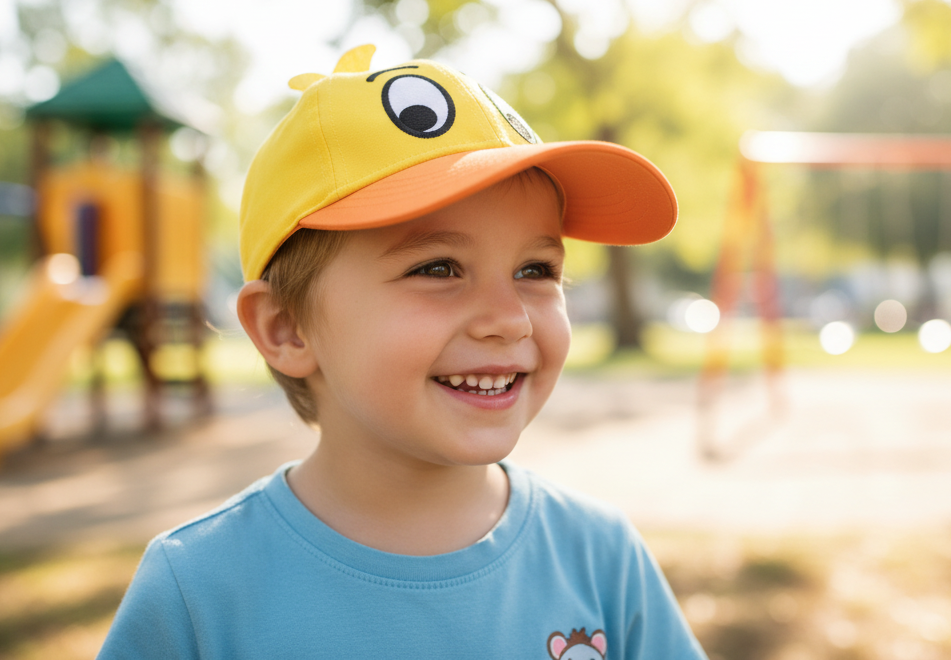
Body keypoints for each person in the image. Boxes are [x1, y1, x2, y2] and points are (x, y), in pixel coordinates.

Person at [98, 45, 707, 659]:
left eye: (536, 267)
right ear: (286, 328)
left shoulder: (601, 559)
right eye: (439, 267)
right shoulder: (198, 593)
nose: (509, 318)